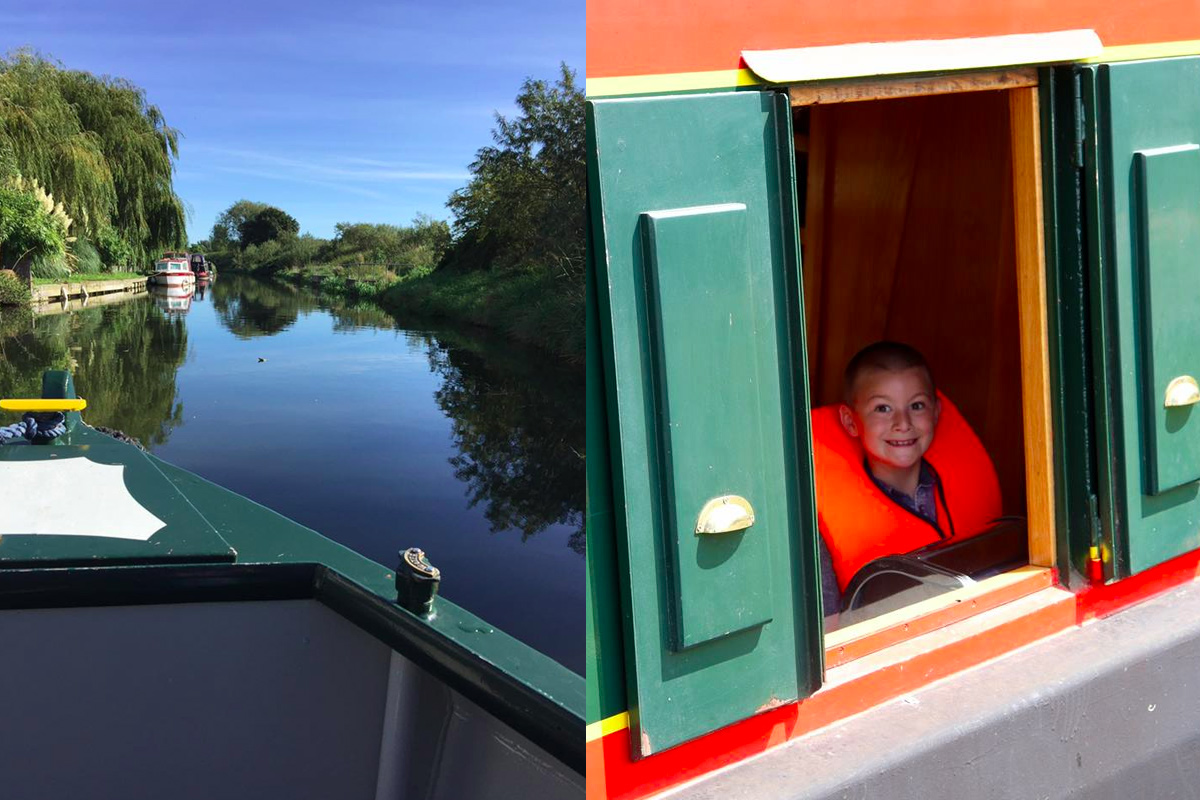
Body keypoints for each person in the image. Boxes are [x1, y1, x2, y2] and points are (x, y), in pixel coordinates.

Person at [812, 341, 1002, 613]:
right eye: (883, 408)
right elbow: (827, 628)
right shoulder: (820, 525)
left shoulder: (959, 483)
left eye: (917, 405)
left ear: (936, 412)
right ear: (850, 422)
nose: (903, 423)